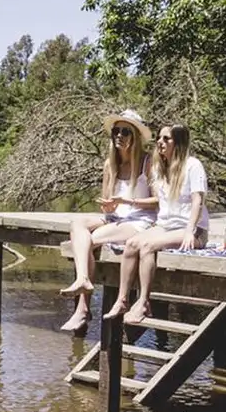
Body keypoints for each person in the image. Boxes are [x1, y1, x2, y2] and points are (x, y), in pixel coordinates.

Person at [58, 109, 158, 332]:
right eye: (116, 131)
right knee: (77, 225)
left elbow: (159, 201)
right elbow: (106, 203)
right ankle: (83, 280)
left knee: (90, 240)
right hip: (115, 219)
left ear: (136, 136)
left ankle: (83, 307)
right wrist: (108, 205)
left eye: (125, 131)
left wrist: (130, 201)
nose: (119, 136)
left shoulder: (148, 162)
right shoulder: (109, 164)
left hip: (140, 220)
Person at [104, 124, 210, 324]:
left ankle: (144, 301)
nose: (160, 143)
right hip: (165, 226)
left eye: (166, 139)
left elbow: (198, 200)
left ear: (178, 143)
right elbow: (158, 203)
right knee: (132, 244)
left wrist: (190, 231)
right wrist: (125, 203)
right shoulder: (160, 168)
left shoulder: (193, 165)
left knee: (147, 246)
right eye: (159, 138)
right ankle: (122, 299)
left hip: (192, 230)